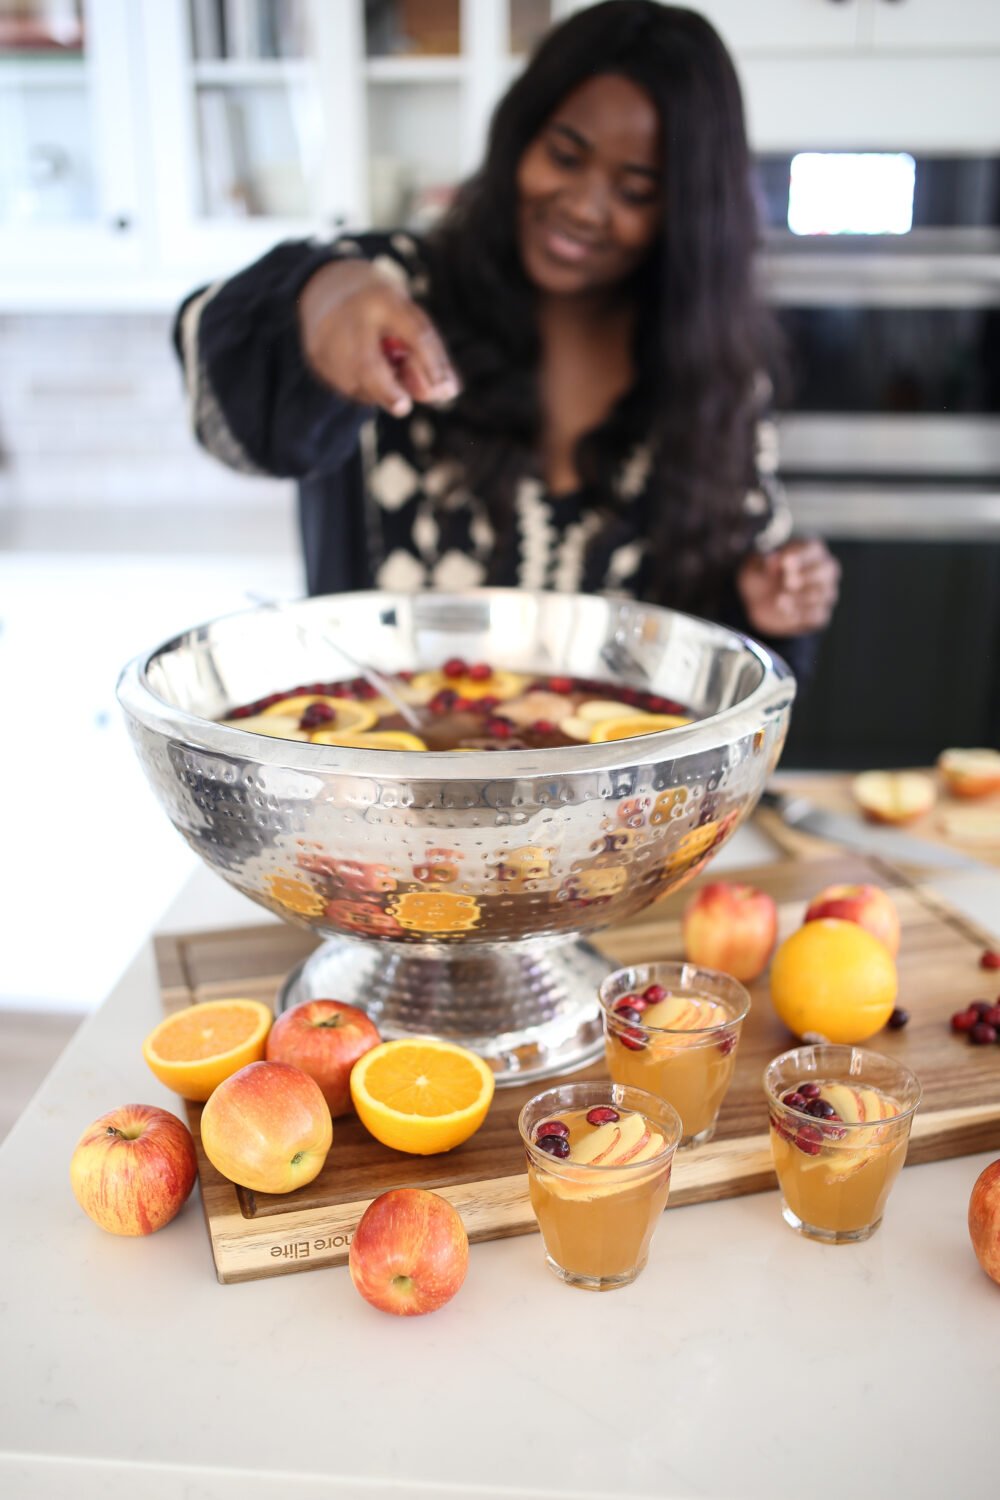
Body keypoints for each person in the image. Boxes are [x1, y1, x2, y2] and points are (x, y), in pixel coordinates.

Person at [174, 0, 839, 679]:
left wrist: (766, 608)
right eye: (563, 155)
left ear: (685, 212)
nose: (584, 206)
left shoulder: (714, 382)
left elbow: (718, 665)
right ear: (521, 134)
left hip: (618, 787)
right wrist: (320, 295)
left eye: (635, 190)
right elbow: (233, 417)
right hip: (380, 771)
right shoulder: (394, 293)